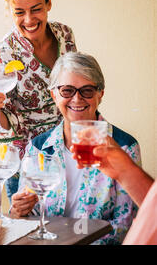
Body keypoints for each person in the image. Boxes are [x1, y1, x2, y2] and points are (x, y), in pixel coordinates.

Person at [9, 52, 141, 245]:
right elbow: (28, 220)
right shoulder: (38, 148)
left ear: (100, 94)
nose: (77, 99)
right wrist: (18, 210)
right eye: (67, 90)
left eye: (87, 90)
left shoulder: (124, 147)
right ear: (54, 95)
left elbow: (124, 225)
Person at [0, 0, 78, 160]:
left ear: (49, 3)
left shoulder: (65, 34)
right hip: (30, 155)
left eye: (36, 9)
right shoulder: (3, 55)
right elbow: (2, 128)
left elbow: (76, 86)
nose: (29, 20)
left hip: (70, 145)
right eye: (19, 12)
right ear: (10, 10)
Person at [78, 139, 155, 245]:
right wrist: (124, 172)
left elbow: (124, 223)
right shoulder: (47, 141)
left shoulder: (126, 144)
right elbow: (153, 205)